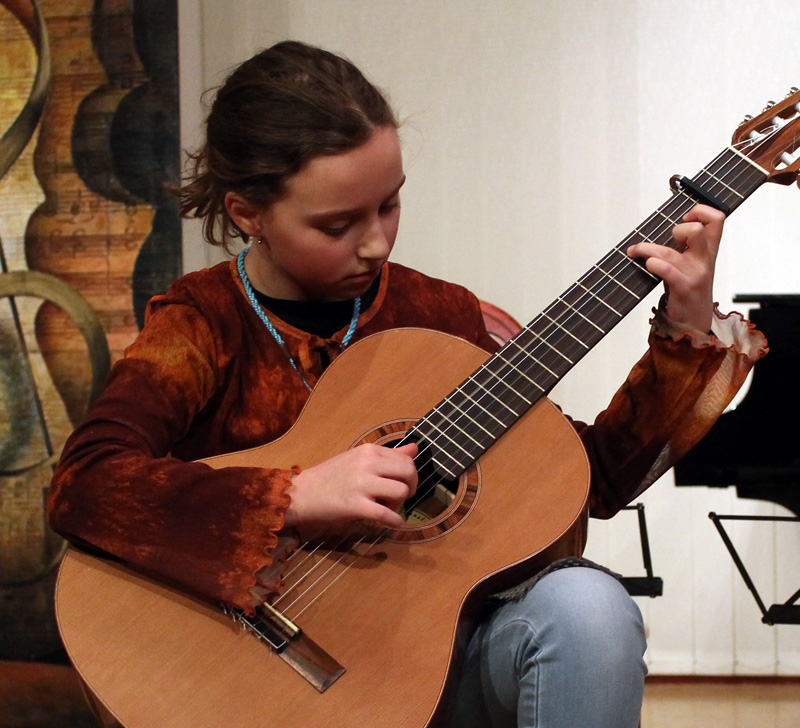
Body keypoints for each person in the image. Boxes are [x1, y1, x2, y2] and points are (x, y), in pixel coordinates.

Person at [47, 40, 766, 728]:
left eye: (388, 205)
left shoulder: (436, 315)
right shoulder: (204, 322)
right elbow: (85, 483)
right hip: (242, 670)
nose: (376, 243)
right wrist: (293, 496)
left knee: (589, 607)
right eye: (338, 224)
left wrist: (686, 326)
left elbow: (593, 479)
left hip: (426, 666)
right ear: (247, 213)